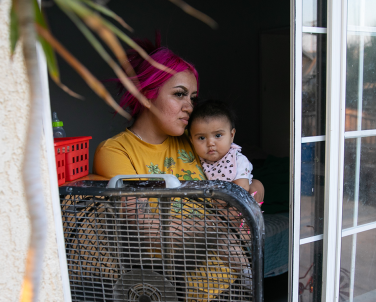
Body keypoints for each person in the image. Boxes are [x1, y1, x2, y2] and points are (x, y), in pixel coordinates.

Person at [93, 37, 264, 202]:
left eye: (193, 98)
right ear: (145, 97)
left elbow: (236, 173)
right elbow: (144, 225)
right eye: (179, 94)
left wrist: (255, 186)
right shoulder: (115, 152)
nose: (189, 107)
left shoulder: (197, 139)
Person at [188, 99, 254, 193]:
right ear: (191, 140)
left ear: (231, 135)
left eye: (218, 135)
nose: (210, 143)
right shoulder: (196, 160)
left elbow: (242, 188)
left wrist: (214, 200)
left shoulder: (238, 160)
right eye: (202, 138)